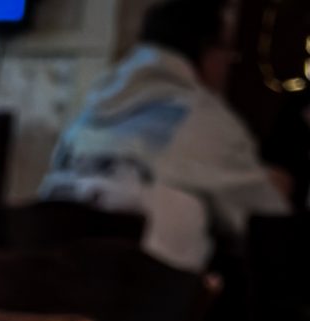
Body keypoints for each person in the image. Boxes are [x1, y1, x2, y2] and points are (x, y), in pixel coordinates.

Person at [40, 0, 290, 271]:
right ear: (205, 51)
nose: (229, 63)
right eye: (226, 50)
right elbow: (269, 223)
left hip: (42, 292)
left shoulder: (90, 110)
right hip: (139, 298)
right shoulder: (204, 117)